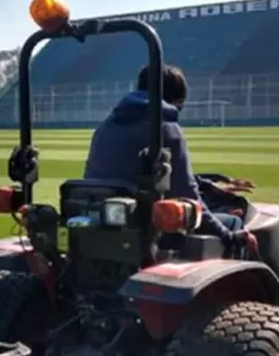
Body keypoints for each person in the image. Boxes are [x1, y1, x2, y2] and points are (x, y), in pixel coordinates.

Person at [83, 63, 255, 251]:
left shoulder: (106, 126)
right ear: (176, 100)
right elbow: (186, 193)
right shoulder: (166, 129)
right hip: (145, 231)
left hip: (103, 219)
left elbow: (146, 174)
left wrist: (206, 183)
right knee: (233, 222)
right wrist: (228, 235)